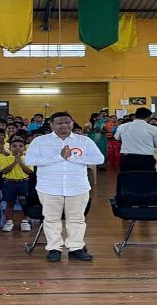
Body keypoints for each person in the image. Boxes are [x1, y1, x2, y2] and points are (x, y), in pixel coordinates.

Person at [25, 111, 104, 262]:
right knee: (51, 219)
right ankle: (54, 248)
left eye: (67, 122)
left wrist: (72, 158)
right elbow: (30, 160)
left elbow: (99, 159)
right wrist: (58, 157)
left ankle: (76, 248)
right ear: (51, 125)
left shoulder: (84, 141)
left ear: (72, 123)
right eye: (59, 123)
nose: (64, 126)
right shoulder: (40, 141)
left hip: (77, 186)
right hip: (49, 187)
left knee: (77, 219)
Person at [0, 138, 34, 232]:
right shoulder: (5, 158)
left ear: (24, 148)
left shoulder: (28, 158)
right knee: (9, 203)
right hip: (9, 183)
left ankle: (25, 222)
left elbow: (29, 171)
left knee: (24, 203)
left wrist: (20, 161)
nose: (17, 148)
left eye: (20, 146)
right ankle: (9, 222)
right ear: (10, 148)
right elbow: (4, 171)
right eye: (14, 146)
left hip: (24, 182)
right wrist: (15, 162)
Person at [114, 107, 157, 172]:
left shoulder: (123, 126)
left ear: (135, 115)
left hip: (127, 157)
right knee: (145, 176)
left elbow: (116, 137)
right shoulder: (154, 128)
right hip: (146, 157)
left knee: (127, 176)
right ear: (149, 117)